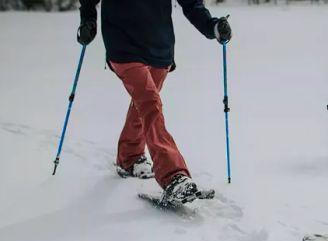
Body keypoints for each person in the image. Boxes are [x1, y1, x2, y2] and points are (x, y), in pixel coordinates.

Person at [77, 1, 232, 205]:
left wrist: (212, 27)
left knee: (145, 104)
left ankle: (129, 157)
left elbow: (191, 3)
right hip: (123, 46)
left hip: (160, 49)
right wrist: (88, 23)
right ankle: (173, 176)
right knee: (150, 104)